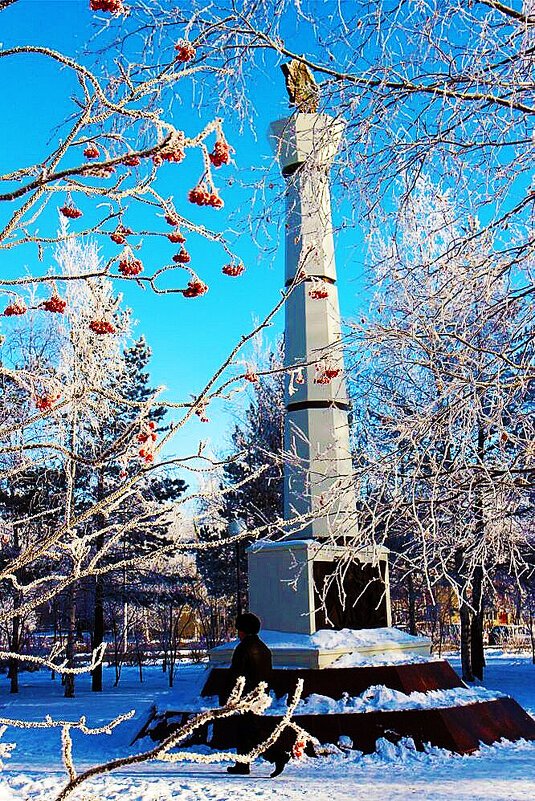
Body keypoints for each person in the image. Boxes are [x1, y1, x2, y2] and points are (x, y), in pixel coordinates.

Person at [225, 612, 290, 778]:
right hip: (259, 695)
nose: (237, 633)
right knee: (245, 731)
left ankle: (278, 755)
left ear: (244, 630)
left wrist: (231, 696)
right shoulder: (263, 648)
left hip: (245, 695)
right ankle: (242, 764)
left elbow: (236, 674)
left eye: (238, 629)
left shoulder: (243, 648)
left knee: (252, 731)